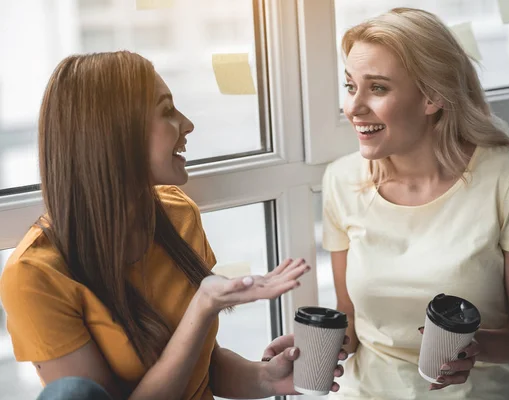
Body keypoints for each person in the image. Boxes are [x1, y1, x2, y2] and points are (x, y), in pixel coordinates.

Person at [0, 51, 347, 400]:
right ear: (115, 134)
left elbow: (204, 368)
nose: (187, 124)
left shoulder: (177, 214)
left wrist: (267, 378)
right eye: (167, 111)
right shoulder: (34, 276)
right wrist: (203, 303)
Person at [322, 7, 509, 400]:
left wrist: (477, 346)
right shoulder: (342, 180)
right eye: (350, 86)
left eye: (377, 88)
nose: (354, 107)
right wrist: (317, 347)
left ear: (432, 97)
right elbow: (351, 317)